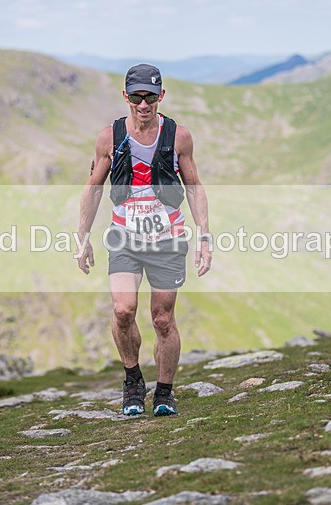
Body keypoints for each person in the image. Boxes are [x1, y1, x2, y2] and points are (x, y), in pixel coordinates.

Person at [76, 63, 212, 417]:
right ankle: (133, 380)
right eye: (136, 97)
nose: (143, 104)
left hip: (168, 238)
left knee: (163, 319)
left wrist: (204, 237)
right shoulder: (109, 137)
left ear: (161, 96)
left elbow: (194, 187)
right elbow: (93, 188)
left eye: (150, 97)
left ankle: (164, 393)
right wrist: (83, 237)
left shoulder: (179, 137)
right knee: (123, 310)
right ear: (125, 96)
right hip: (124, 237)